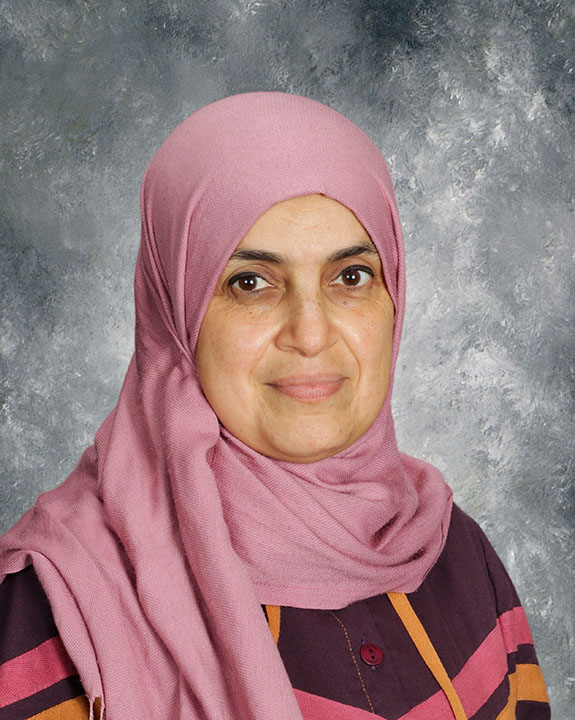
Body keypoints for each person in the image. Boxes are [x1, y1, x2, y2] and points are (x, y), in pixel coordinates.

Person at [0, 91, 550, 719]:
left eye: (350, 277)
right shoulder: (58, 609)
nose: (310, 334)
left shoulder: (453, 551)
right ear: (176, 315)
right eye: (251, 283)